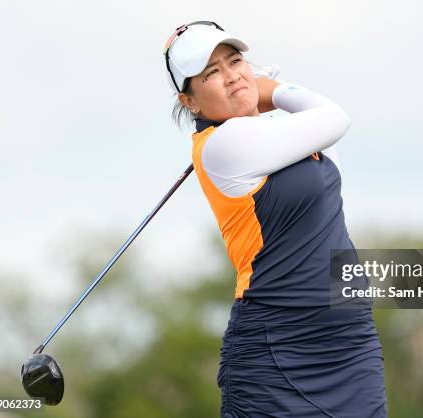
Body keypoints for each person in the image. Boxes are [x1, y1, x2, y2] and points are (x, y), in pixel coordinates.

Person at [164, 21, 387, 418]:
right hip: (278, 345)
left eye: (236, 62)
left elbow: (324, 131)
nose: (232, 76)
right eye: (212, 73)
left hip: (349, 339)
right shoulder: (222, 147)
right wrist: (277, 91)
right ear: (190, 101)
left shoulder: (279, 138)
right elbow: (335, 118)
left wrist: (263, 95)